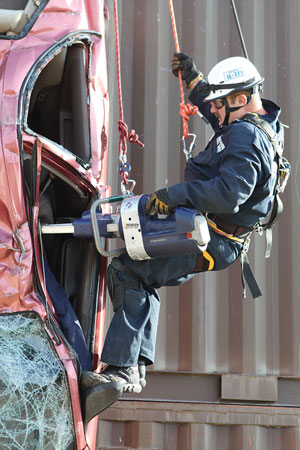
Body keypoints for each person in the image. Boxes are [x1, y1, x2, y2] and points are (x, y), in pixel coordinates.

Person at [80, 54, 283, 397]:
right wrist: (192, 79)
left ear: (240, 100)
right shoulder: (257, 124)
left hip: (212, 237)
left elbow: (229, 193)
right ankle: (135, 365)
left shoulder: (245, 138)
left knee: (127, 271)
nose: (214, 112)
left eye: (220, 105)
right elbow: (217, 111)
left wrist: (173, 196)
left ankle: (123, 367)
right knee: (142, 273)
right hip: (218, 237)